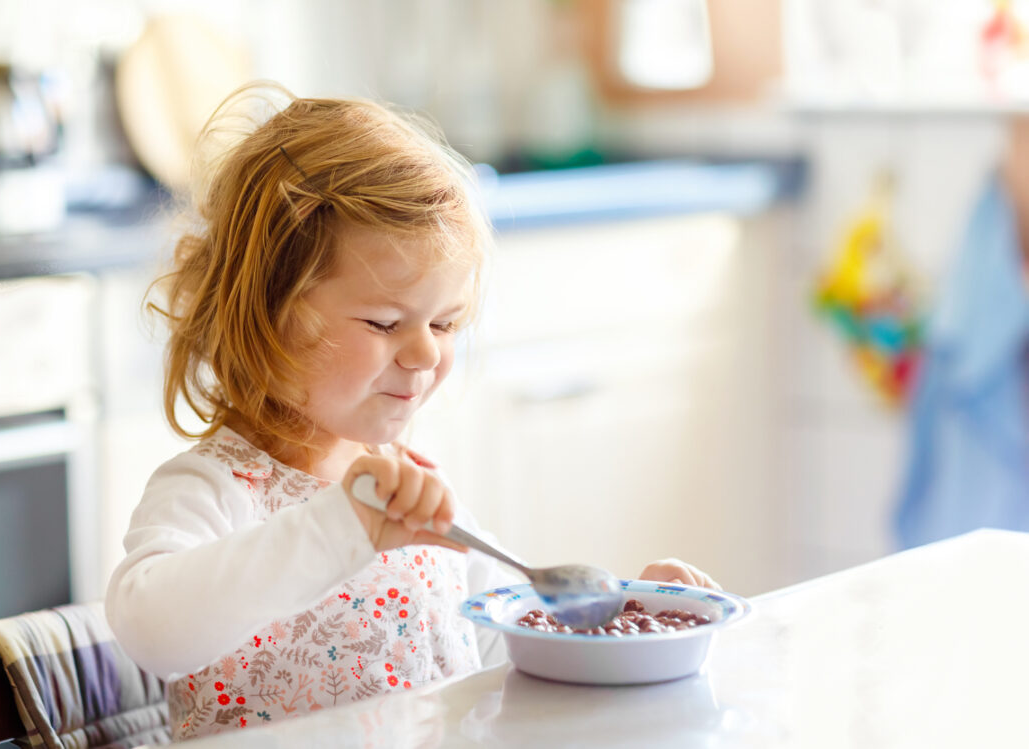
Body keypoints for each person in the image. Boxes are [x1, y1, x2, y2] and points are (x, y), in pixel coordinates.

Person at [106, 82, 719, 741]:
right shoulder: (216, 487)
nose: (426, 351)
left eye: (447, 321)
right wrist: (341, 525)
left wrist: (623, 622)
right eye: (385, 320)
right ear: (266, 316)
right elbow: (150, 629)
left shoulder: (418, 489)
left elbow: (498, 658)